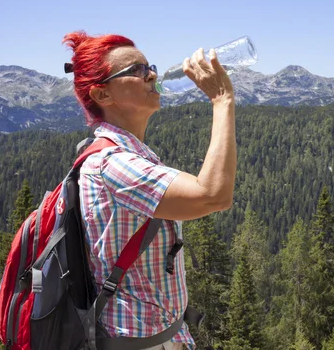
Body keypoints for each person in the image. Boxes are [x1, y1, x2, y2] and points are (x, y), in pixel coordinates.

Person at [63, 31, 237, 350]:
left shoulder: (132, 157)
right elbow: (213, 195)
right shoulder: (113, 164)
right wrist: (222, 99)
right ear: (102, 95)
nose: (152, 75)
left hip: (160, 338)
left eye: (149, 66)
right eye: (137, 71)